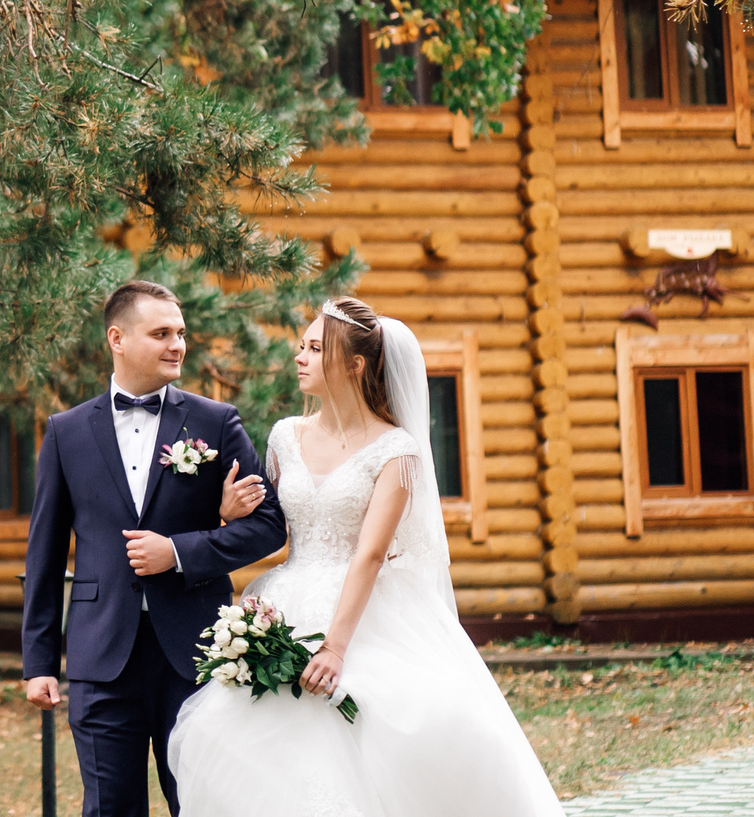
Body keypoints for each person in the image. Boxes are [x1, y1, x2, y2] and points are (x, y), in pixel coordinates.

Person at [167, 297, 563, 817]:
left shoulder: (396, 451)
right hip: (285, 600)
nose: (300, 357)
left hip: (367, 613)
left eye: (315, 347)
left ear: (354, 365)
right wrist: (226, 512)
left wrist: (334, 648)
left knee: (385, 735)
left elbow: (372, 554)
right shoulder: (286, 435)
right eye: (301, 346)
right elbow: (273, 529)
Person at [22, 281, 289, 817]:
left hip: (193, 652)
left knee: (197, 803)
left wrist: (180, 550)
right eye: (161, 333)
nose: (178, 345)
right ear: (117, 338)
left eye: (181, 333)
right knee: (109, 808)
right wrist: (40, 660)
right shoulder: (67, 432)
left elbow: (269, 525)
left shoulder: (216, 421)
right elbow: (44, 555)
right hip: (101, 656)